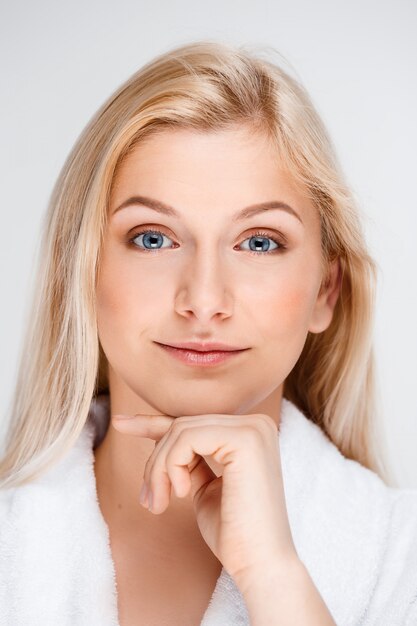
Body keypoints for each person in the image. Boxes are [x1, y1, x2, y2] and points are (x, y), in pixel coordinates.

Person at [0, 40, 416, 626]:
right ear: (82, 271)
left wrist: (275, 579)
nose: (203, 301)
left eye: (259, 242)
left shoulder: (401, 562)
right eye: (152, 238)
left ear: (327, 290)